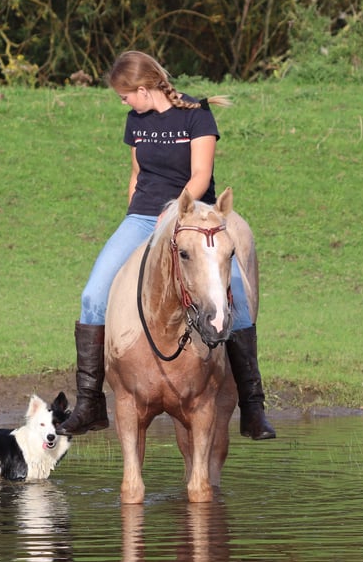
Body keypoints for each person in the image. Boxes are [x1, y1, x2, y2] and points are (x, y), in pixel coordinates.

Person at [56, 51, 275, 440]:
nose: (123, 102)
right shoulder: (136, 120)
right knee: (92, 296)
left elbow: (201, 175)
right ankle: (89, 403)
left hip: (194, 215)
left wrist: (175, 213)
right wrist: (132, 217)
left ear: (142, 88)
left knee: (235, 298)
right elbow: (137, 174)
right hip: (142, 219)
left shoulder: (196, 114)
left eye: (125, 95)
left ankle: (253, 407)